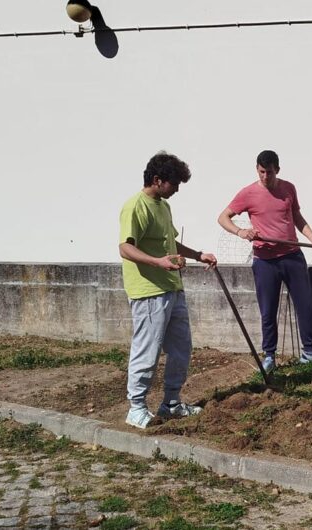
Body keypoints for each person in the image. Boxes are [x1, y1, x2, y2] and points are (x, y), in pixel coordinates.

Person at [118, 151, 217, 429]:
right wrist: (157, 262)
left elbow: (171, 243)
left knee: (181, 348)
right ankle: (136, 407)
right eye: (173, 184)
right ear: (158, 179)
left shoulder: (163, 206)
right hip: (149, 291)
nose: (176, 189)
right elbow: (125, 247)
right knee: (147, 350)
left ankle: (171, 402)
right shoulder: (135, 206)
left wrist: (199, 255)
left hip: (172, 288)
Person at [218, 150, 312, 373]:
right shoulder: (248, 193)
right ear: (257, 170)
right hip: (265, 261)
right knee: (268, 310)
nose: (265, 177)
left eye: (269, 172)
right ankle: (269, 356)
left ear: (277, 170)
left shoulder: (288, 188)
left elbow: (297, 217)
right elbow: (223, 218)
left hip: (292, 256)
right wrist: (241, 231)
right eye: (261, 172)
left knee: (305, 306)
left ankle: (309, 352)